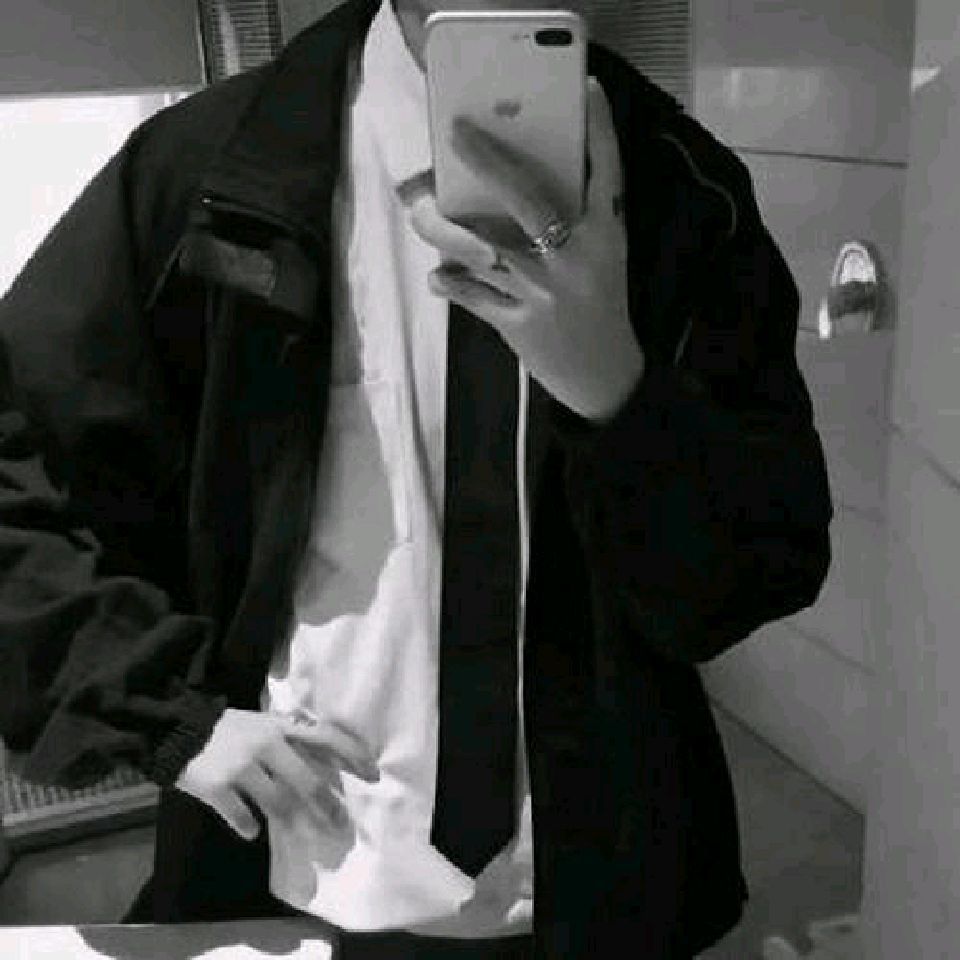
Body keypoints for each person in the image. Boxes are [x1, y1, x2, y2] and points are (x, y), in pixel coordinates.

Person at [0, 0, 833, 957]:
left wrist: (616, 390)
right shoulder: (209, 169)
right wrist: (157, 707)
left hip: (601, 882)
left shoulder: (687, 193)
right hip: (290, 872)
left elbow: (750, 575)